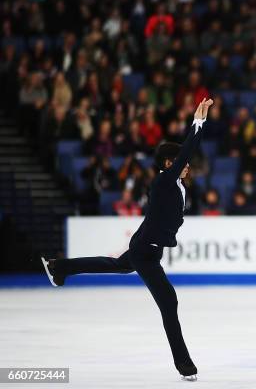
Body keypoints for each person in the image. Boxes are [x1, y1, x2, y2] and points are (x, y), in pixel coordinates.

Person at [40, 98, 215, 381]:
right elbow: (186, 156)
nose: (188, 166)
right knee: (169, 301)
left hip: (145, 247)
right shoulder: (164, 182)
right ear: (171, 163)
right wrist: (199, 122)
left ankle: (59, 268)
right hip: (146, 251)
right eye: (183, 163)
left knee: (116, 265)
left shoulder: (176, 186)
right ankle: (185, 365)